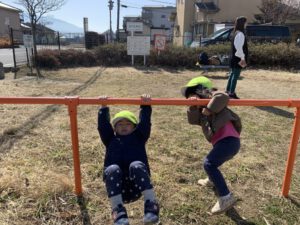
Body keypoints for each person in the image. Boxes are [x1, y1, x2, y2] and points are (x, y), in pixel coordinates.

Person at [181, 76, 242, 214]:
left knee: (209, 163)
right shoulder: (201, 112)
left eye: (193, 94)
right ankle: (211, 179)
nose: (191, 97)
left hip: (229, 141)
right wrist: (192, 107)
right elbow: (193, 120)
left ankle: (226, 197)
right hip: (224, 143)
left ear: (202, 90)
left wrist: (209, 108)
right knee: (213, 162)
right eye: (188, 97)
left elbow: (223, 96)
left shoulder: (214, 99)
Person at [97, 94, 159, 225]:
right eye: (119, 124)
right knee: (112, 168)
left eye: (128, 124)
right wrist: (103, 107)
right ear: (114, 128)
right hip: (117, 188)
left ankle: (151, 206)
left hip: (137, 185)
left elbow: (145, 122)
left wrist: (145, 105)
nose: (123, 126)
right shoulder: (110, 139)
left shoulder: (139, 137)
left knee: (136, 165)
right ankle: (118, 212)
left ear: (135, 127)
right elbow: (103, 127)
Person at [226, 16, 248, 99]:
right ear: (243, 23)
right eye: (245, 22)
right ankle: (231, 93)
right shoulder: (240, 34)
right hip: (238, 57)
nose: (246, 24)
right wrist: (242, 58)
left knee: (232, 75)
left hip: (233, 57)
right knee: (235, 76)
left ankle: (228, 91)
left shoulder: (234, 32)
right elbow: (239, 47)